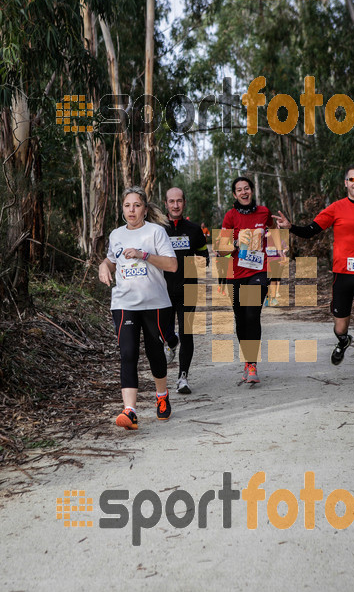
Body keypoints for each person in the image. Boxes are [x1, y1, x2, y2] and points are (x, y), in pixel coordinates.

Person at [273, 164, 354, 389]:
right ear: (346, 183)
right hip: (342, 275)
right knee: (341, 327)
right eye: (352, 179)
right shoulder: (336, 208)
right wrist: (290, 226)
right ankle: (344, 341)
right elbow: (311, 230)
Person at [99, 186, 177, 430]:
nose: (131, 210)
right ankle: (130, 411)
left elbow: (172, 265)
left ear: (145, 208)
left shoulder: (156, 233)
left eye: (137, 205)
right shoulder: (116, 234)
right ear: (122, 209)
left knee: (155, 353)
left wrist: (144, 255)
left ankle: (162, 396)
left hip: (154, 303)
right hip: (124, 303)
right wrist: (104, 265)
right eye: (127, 206)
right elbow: (112, 260)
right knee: (128, 353)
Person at [219, 176, 282, 383]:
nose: (244, 192)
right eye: (239, 190)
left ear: (252, 191)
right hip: (236, 274)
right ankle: (247, 360)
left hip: (259, 272)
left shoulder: (264, 212)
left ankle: (252, 365)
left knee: (252, 314)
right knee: (241, 318)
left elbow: (273, 235)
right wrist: (236, 243)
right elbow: (221, 250)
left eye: (247, 188)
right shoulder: (230, 216)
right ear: (235, 195)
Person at [164, 187, 209, 394]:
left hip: (188, 288)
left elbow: (204, 257)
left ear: (184, 203)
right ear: (166, 204)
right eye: (171, 201)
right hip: (161, 290)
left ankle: (183, 377)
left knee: (187, 333)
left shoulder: (193, 229)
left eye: (179, 201)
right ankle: (171, 342)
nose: (175, 205)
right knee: (163, 332)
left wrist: (194, 263)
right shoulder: (157, 229)